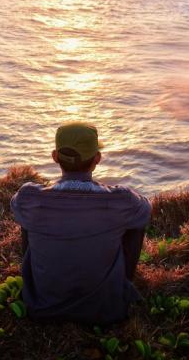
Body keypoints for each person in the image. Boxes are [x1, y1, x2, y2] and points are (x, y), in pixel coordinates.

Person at [10, 121, 152, 325]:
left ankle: (34, 286)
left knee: (29, 220)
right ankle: (124, 286)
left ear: (55, 157)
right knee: (135, 223)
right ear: (97, 159)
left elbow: (16, 206)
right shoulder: (121, 201)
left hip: (42, 309)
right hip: (106, 312)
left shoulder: (30, 198)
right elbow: (146, 210)